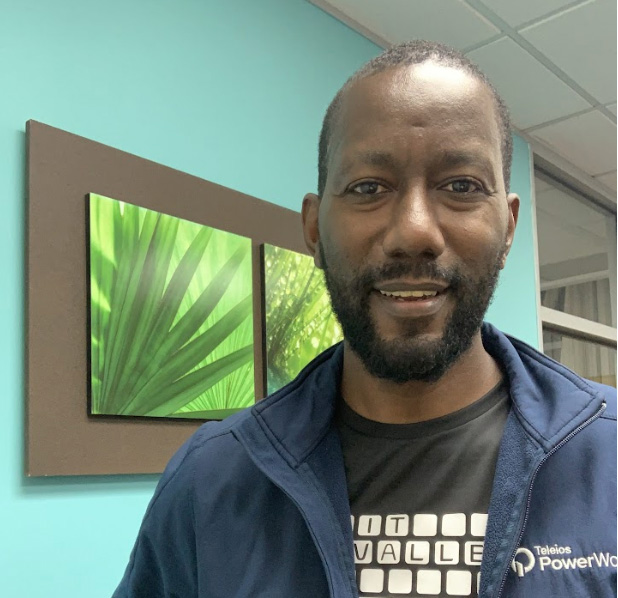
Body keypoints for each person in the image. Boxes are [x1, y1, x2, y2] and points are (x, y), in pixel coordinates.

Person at [113, 40, 616, 598]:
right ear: (313, 229)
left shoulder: (608, 456)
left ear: (509, 228)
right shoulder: (209, 482)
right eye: (368, 188)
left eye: (461, 187)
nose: (414, 231)